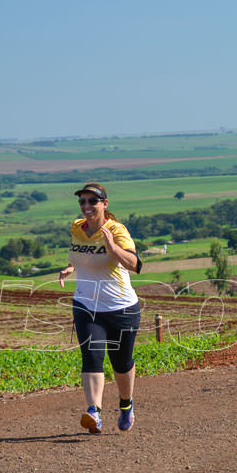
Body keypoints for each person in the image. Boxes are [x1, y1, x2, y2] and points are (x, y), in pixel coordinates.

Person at [58, 183, 143, 433]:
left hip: (121, 307)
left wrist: (112, 247)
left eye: (92, 201)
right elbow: (82, 255)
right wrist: (72, 268)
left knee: (121, 362)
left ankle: (126, 404)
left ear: (105, 204)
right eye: (82, 201)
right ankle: (94, 411)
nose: (86, 206)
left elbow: (136, 265)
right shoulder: (76, 227)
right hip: (86, 305)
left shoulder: (117, 230)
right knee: (92, 357)